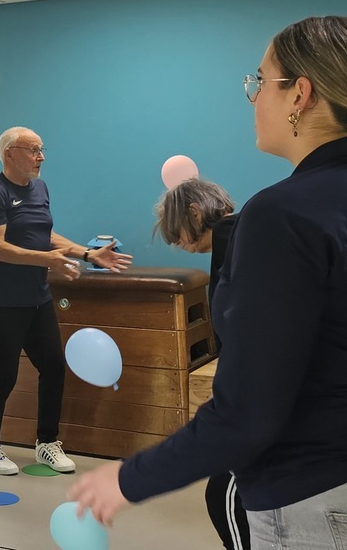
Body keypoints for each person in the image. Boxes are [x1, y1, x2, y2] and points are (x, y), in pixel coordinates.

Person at [69, 16, 347, 550]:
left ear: (300, 95)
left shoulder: (282, 216)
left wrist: (127, 479)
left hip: (312, 495)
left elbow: (248, 413)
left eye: (259, 82)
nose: (252, 98)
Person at [0, 126, 132, 476]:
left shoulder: (39, 188)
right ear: (9, 154)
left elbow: (46, 235)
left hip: (36, 297)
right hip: (2, 299)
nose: (40, 157)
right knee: (5, 372)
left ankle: (46, 442)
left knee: (54, 367)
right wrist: (49, 260)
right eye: (33, 150)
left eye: (42, 149)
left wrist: (88, 254)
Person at [155, 178, 249, 550]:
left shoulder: (231, 235)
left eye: (176, 232)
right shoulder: (238, 235)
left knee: (224, 494)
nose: (178, 243)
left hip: (254, 395)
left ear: (194, 212)